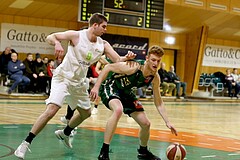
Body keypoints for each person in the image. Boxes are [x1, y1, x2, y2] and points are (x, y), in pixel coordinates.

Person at [14, 13, 135, 159]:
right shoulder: (76, 35)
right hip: (63, 78)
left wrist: (126, 58)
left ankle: (65, 133)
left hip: (78, 82)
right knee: (52, 109)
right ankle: (25, 143)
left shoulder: (103, 44)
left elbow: (117, 59)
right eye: (104, 26)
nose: (105, 29)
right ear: (94, 25)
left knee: (86, 113)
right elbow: (50, 37)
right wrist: (57, 43)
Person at [90, 45, 177, 160]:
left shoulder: (155, 77)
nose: (156, 63)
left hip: (126, 92)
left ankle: (143, 152)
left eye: (158, 61)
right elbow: (108, 67)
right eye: (153, 60)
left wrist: (167, 121)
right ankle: (104, 152)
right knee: (118, 110)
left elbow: (158, 101)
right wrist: (96, 87)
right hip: (111, 86)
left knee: (146, 124)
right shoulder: (133, 67)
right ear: (147, 59)